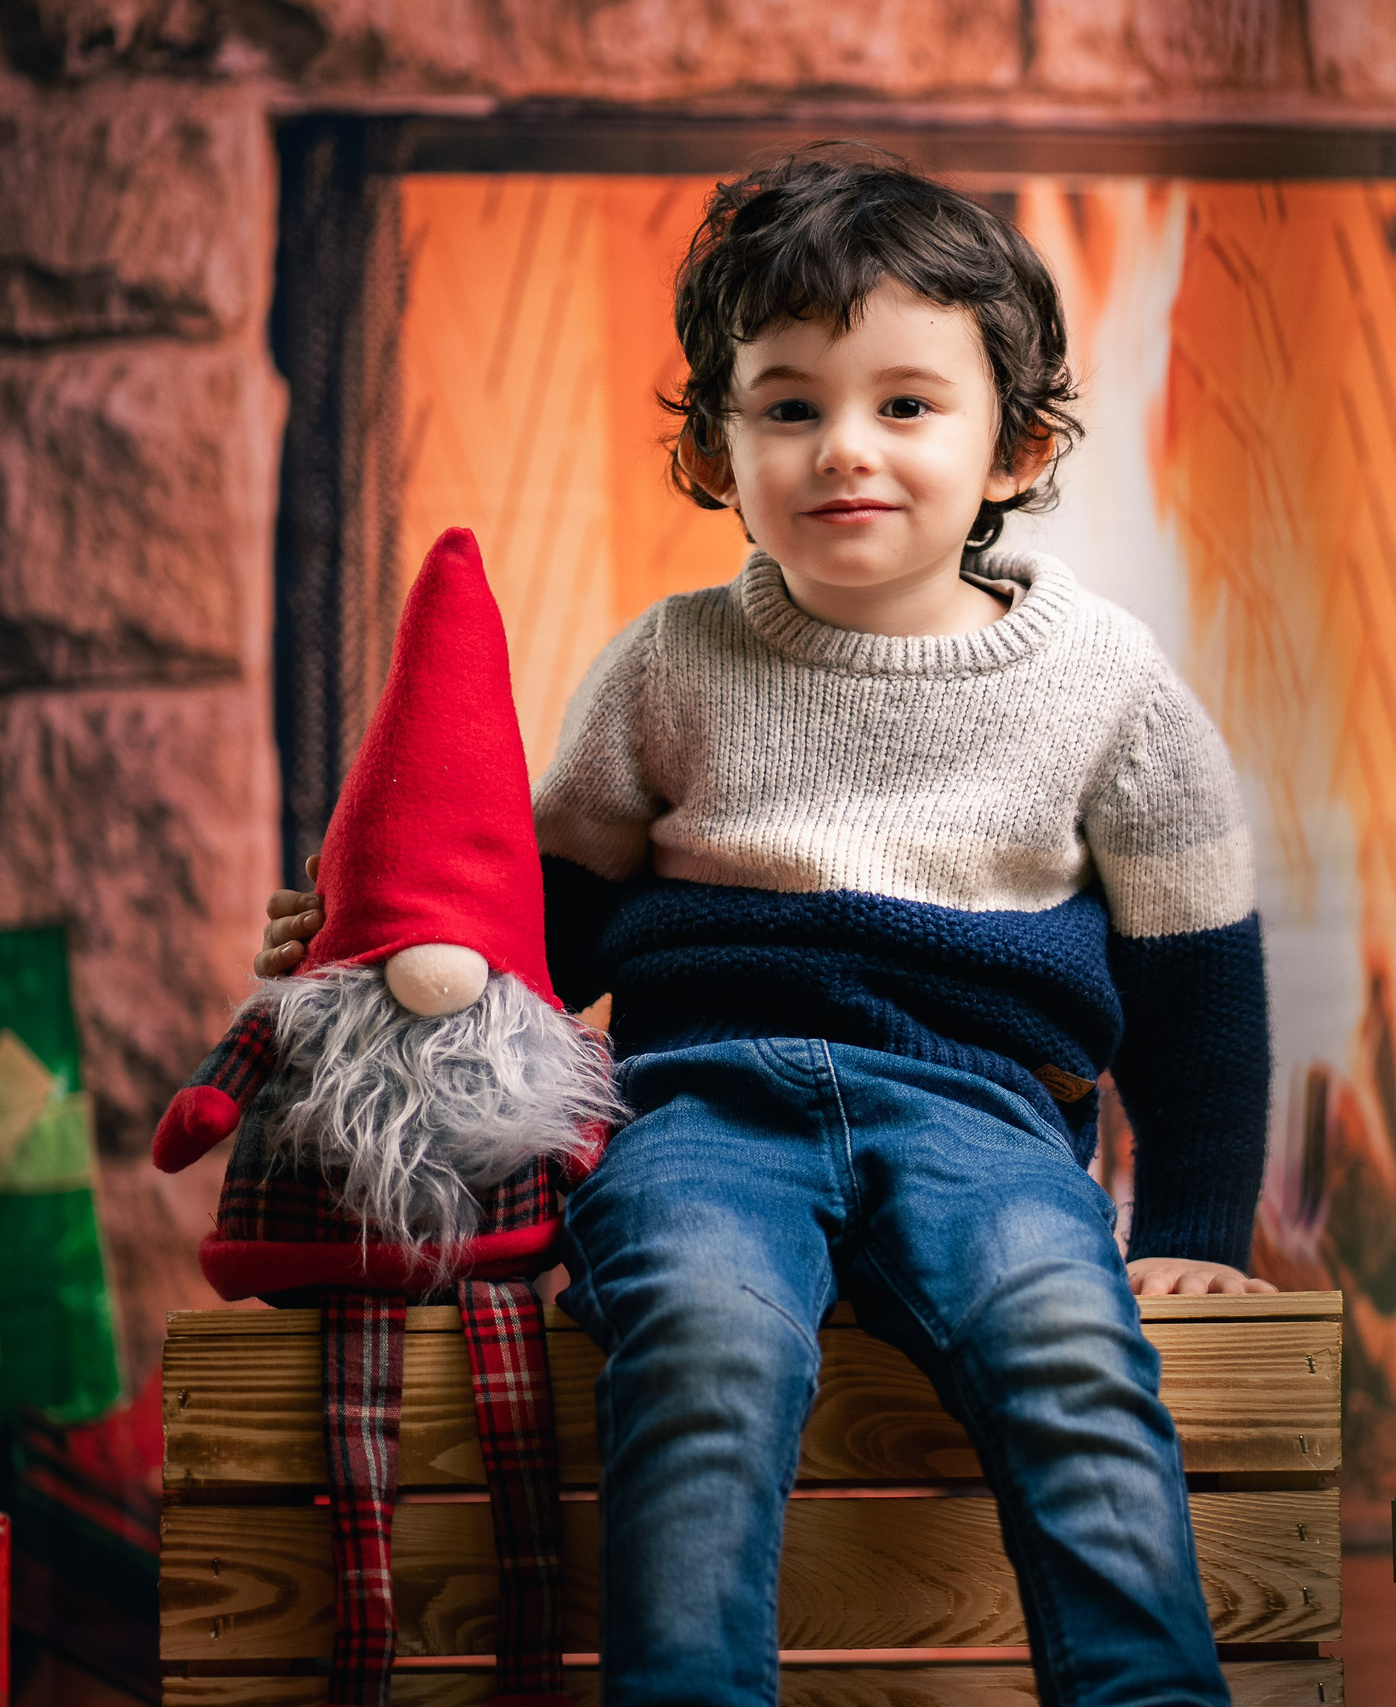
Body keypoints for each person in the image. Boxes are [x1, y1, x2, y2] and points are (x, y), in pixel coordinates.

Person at [256, 148, 1272, 1707]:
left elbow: (1195, 976)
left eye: (906, 405)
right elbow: (540, 934)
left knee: (1068, 1346)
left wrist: (1196, 1230)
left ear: (1017, 447)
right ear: (715, 447)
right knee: (701, 1344)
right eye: (789, 407)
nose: (844, 448)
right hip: (703, 1111)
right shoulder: (667, 667)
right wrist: (372, 944)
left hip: (984, 1120)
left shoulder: (1108, 686)